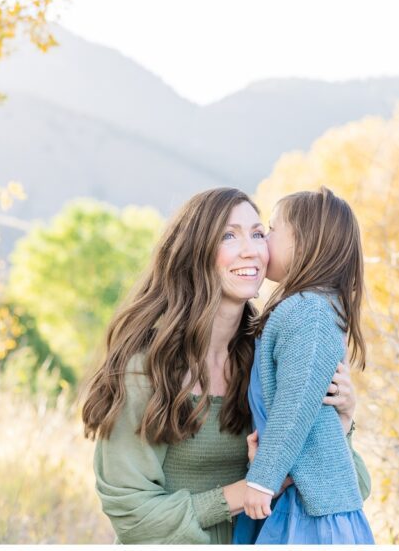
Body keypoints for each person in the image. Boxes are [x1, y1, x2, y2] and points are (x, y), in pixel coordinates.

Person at [80, 187, 370, 544]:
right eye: (229, 236)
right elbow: (134, 518)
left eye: (259, 233)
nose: (251, 249)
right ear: (193, 252)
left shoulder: (271, 356)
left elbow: (355, 487)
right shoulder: (146, 366)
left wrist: (341, 425)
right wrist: (248, 490)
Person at [234, 186, 375, 544]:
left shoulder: (307, 313)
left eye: (272, 228)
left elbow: (294, 407)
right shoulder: (311, 310)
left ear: (305, 244)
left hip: (310, 513)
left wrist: (262, 479)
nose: (264, 238)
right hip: (299, 498)